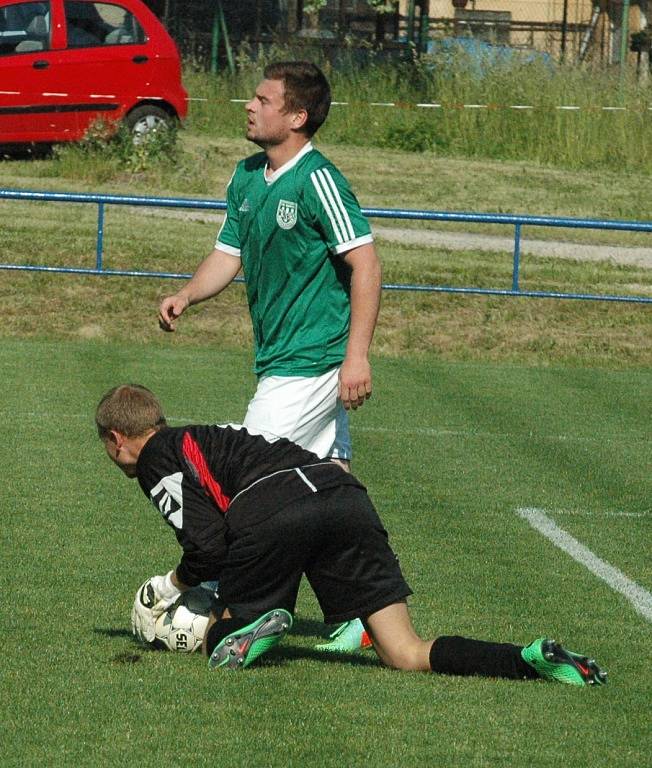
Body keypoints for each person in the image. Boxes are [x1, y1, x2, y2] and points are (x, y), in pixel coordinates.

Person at [96, 384, 607, 686]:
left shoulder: (156, 457)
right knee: (405, 652)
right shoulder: (208, 437)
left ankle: (240, 629)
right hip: (342, 495)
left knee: (221, 638)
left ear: (119, 439)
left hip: (272, 509)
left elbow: (208, 549)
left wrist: (168, 590)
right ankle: (528, 658)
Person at [158, 60, 382, 652]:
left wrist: (355, 356)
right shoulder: (247, 177)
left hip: (312, 361)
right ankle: (356, 615)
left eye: (263, 99)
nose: (250, 106)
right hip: (282, 360)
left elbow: (365, 263)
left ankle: (238, 606)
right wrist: (188, 293)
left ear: (297, 116)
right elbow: (227, 254)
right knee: (329, 485)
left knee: (243, 486)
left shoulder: (318, 180)